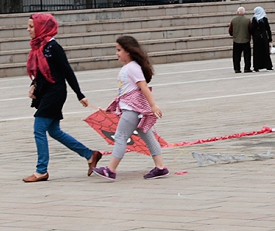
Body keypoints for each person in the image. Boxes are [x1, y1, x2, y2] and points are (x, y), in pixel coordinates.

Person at [24, 13, 102, 183]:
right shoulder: (38, 47)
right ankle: (90, 154)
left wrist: (79, 94)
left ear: (41, 27)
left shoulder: (53, 47)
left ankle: (41, 170)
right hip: (46, 92)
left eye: (31, 26)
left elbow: (67, 71)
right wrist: (34, 85)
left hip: (56, 93)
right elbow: (41, 72)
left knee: (39, 128)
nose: (28, 29)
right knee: (53, 130)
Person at [93, 36, 168, 181]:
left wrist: (153, 105)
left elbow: (143, 87)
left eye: (119, 50)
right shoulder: (128, 68)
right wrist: (114, 105)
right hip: (131, 109)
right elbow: (125, 90)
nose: (117, 53)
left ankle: (111, 170)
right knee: (147, 136)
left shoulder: (133, 68)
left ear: (128, 51)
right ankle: (160, 167)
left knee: (120, 137)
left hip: (131, 110)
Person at [250, 6, 273, 72]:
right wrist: (270, 38)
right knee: (265, 51)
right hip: (264, 36)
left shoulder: (254, 19)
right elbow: (268, 29)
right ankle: (268, 66)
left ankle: (256, 67)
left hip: (256, 37)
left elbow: (252, 29)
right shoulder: (264, 18)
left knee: (257, 52)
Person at [229, 6, 252, 73]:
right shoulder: (248, 20)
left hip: (236, 40)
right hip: (246, 40)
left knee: (236, 56)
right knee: (247, 55)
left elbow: (230, 30)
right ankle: (247, 68)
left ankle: (237, 68)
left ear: (237, 12)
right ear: (244, 13)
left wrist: (234, 35)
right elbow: (250, 29)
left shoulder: (233, 20)